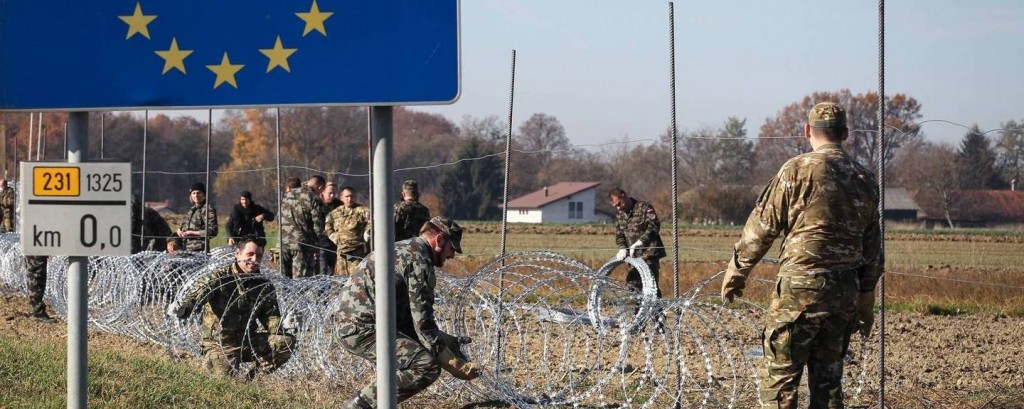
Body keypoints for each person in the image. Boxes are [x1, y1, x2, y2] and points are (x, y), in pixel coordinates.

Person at [720, 102, 881, 409]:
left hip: (799, 292)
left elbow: (762, 228)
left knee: (781, 383)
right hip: (843, 293)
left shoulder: (796, 170)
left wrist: (737, 271)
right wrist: (865, 300)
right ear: (845, 133)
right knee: (828, 384)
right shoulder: (865, 179)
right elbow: (872, 248)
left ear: (808, 131)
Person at [335, 216, 480, 408]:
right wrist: (451, 361)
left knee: (416, 357)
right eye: (452, 248)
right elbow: (422, 322)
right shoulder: (419, 261)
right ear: (439, 240)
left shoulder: (404, 247)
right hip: (364, 328)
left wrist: (444, 339)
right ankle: (358, 407)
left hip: (357, 323)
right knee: (425, 365)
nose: (452, 255)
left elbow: (407, 318)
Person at [167, 236, 294, 377]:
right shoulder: (220, 278)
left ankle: (253, 379)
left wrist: (285, 327)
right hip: (220, 344)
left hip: (247, 341)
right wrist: (183, 308)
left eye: (258, 255)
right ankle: (215, 364)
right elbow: (197, 296)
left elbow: (271, 320)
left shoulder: (263, 286)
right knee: (226, 384)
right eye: (249, 254)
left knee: (285, 342)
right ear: (237, 254)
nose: (254, 259)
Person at [609, 188, 666, 299]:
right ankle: (638, 314)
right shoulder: (620, 215)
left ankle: (656, 315)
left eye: (619, 203)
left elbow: (654, 226)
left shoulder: (644, 208)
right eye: (615, 206)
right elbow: (619, 234)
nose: (618, 207)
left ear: (623, 195)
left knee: (650, 288)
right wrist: (622, 248)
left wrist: (641, 242)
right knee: (633, 287)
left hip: (649, 254)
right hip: (633, 257)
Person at [279, 175, 327, 278]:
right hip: (302, 245)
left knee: (284, 280)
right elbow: (317, 226)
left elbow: (280, 217)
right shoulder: (313, 197)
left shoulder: (288, 194)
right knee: (300, 282)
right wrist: (317, 246)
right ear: (320, 187)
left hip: (283, 243)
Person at [325, 186, 372, 275]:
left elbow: (372, 221)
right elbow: (328, 224)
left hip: (356, 251)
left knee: (356, 277)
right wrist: (332, 236)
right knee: (340, 279)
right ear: (341, 197)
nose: (349, 199)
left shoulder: (361, 210)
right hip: (341, 252)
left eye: (352, 196)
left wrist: (367, 232)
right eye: (347, 196)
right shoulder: (336, 213)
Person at [176, 182, 218, 253]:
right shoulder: (192, 210)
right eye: (194, 193)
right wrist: (179, 231)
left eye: (199, 193)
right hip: (187, 248)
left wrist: (192, 233)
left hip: (200, 250)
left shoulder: (207, 209)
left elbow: (212, 231)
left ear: (204, 194)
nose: (196, 195)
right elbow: (185, 227)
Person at [24, 255, 56, 323]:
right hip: (35, 249)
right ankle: (37, 312)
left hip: (34, 248)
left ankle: (37, 310)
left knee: (35, 274)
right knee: (37, 276)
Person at [319, 182, 342, 274]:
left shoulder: (339, 205)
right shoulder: (317, 204)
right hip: (320, 243)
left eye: (334, 193)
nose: (332, 196)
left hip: (333, 243)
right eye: (330, 193)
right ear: (323, 192)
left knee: (331, 270)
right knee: (322, 269)